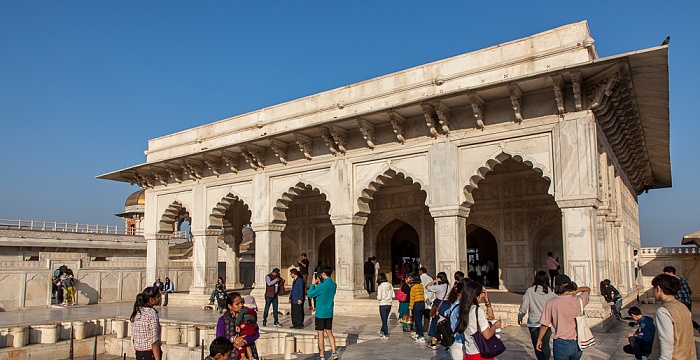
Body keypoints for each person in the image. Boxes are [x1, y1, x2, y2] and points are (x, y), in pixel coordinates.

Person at [536, 274, 591, 360]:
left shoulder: (551, 303)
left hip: (561, 343)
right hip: (577, 342)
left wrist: (539, 339)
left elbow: (545, 324)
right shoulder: (580, 300)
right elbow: (587, 290)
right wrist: (576, 290)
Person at [649, 274, 697, 359]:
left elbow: (667, 342)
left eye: (654, 288)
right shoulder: (683, 307)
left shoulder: (663, 311)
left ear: (659, 289)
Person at [451, 280, 501, 360]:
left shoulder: (464, 309)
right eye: (481, 293)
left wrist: (487, 300)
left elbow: (490, 317)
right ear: (476, 295)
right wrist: (495, 326)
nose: (482, 296)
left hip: (469, 353)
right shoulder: (477, 310)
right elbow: (487, 335)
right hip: (480, 353)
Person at [518, 271, 557, 360]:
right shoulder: (551, 292)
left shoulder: (530, 291)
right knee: (545, 343)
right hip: (547, 322)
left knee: (537, 344)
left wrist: (520, 315)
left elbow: (524, 305)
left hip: (534, 322)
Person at [216, 292, 261, 360]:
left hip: (249, 352)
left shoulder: (248, 316)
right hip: (230, 354)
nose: (241, 305)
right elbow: (220, 337)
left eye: (241, 303)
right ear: (230, 306)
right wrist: (233, 340)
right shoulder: (223, 320)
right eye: (237, 304)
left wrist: (245, 341)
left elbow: (256, 332)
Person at [307, 266, 338, 360]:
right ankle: (334, 352)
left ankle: (322, 355)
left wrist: (312, 284)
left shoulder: (321, 286)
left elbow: (310, 294)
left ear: (324, 274)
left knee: (320, 334)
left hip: (320, 313)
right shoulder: (334, 285)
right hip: (329, 312)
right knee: (329, 332)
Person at [663, 266, 700, 332]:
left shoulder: (675, 281)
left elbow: (679, 295)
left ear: (671, 273)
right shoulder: (681, 279)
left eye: (666, 274)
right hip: (687, 302)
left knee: (684, 319)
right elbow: (689, 291)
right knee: (686, 318)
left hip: (683, 303)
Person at [130, 287, 162, 360]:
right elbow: (154, 340)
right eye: (158, 297)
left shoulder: (138, 311)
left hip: (139, 353)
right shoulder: (151, 313)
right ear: (151, 299)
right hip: (149, 354)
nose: (160, 299)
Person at [426, 272, 452, 350]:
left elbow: (427, 287)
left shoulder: (438, 287)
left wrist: (434, 281)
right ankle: (447, 342)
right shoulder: (449, 287)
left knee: (435, 323)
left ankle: (433, 342)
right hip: (447, 306)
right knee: (445, 324)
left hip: (439, 306)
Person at [409, 273, 427, 343]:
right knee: (418, 319)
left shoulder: (413, 287)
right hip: (422, 303)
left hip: (416, 304)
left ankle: (421, 335)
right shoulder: (421, 286)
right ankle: (417, 333)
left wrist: (410, 309)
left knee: (418, 320)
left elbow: (412, 299)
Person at [376, 272, 394, 340]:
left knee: (384, 320)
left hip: (383, 304)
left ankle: (386, 334)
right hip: (389, 304)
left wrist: (378, 297)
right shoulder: (390, 285)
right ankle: (382, 331)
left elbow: (379, 297)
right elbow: (393, 295)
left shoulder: (380, 286)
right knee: (385, 319)